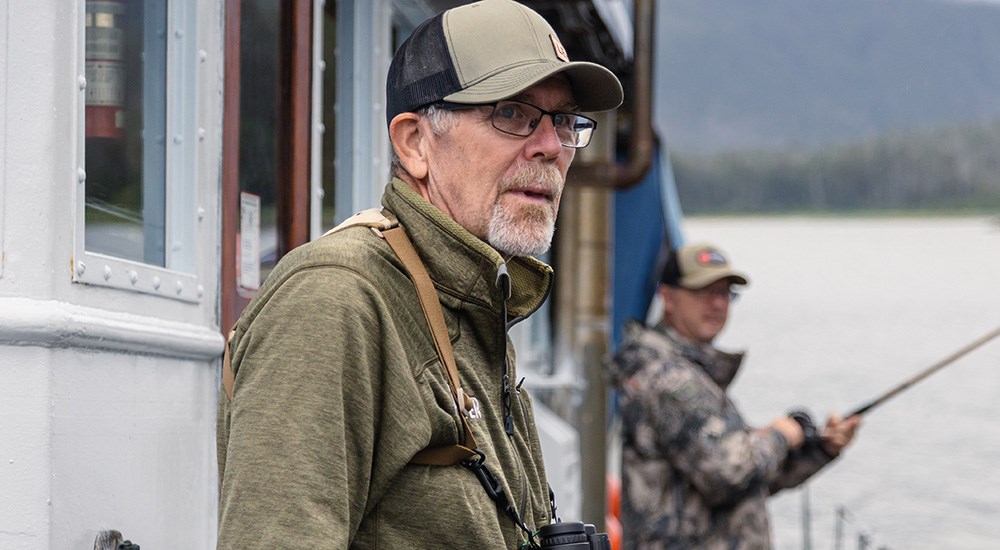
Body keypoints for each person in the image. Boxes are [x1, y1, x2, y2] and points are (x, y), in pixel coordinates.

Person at [215, 1, 623, 548]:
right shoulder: (336, 300)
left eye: (565, 122)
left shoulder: (474, 305)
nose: (550, 146)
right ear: (414, 143)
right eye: (512, 113)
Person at [607, 242, 861, 550]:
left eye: (725, 293)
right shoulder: (668, 378)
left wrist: (821, 448)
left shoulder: (689, 372)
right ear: (668, 297)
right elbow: (728, 474)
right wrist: (782, 434)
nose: (717, 304)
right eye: (704, 292)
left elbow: (750, 477)